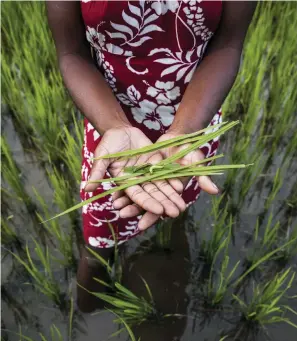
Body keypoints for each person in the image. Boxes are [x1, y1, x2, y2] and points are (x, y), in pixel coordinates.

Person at [46, 0, 256, 312]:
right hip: (113, 130)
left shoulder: (189, 133)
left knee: (175, 207)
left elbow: (227, 43)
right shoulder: (113, 132)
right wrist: (114, 126)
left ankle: (172, 246)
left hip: (191, 130)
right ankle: (89, 309)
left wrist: (186, 129)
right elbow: (71, 53)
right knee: (98, 241)